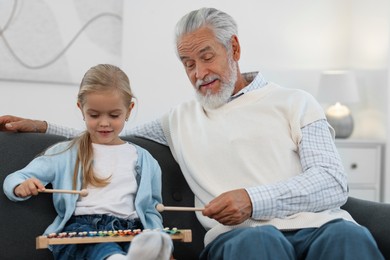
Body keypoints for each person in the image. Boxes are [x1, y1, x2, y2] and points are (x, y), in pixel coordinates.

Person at [0, 8, 384, 260]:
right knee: (258, 241)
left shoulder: (296, 102)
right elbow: (115, 134)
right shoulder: (178, 119)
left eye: (205, 56)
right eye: (187, 63)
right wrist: (45, 127)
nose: (199, 73)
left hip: (319, 227)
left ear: (233, 47)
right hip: (242, 240)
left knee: (349, 238)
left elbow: (333, 183)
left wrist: (253, 199)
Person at [3, 64, 172, 260]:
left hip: (130, 229)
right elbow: (15, 178)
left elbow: (151, 210)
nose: (104, 123)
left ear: (129, 110)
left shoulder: (145, 159)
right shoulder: (64, 153)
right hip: (82, 231)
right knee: (96, 247)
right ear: (80, 109)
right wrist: (20, 186)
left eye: (114, 115)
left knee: (143, 243)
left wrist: (158, 239)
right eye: (94, 115)